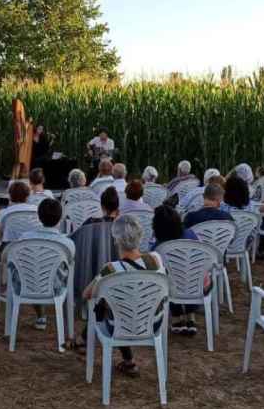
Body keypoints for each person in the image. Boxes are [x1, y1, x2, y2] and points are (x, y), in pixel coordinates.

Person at [82, 215, 165, 377]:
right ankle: (127, 361)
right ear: (140, 236)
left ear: (116, 240)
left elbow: (87, 294)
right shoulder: (156, 259)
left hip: (119, 326)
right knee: (122, 305)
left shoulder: (111, 269)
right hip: (153, 324)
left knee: (110, 306)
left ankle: (84, 342)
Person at [17, 198, 76, 331]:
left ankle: (41, 316)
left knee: (34, 274)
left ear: (38, 217)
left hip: (28, 285)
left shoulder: (24, 238)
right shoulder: (67, 243)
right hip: (56, 287)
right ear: (60, 218)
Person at [152, 205, 208, 334]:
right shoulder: (191, 235)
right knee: (185, 274)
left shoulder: (159, 246)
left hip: (173, 289)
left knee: (166, 277)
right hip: (197, 286)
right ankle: (190, 315)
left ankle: (177, 316)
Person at [12, 99, 34, 180]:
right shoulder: (18, 123)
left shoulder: (16, 121)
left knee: (18, 162)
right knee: (19, 162)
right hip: (20, 144)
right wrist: (29, 121)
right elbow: (22, 132)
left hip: (19, 143)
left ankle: (15, 178)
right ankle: (14, 178)